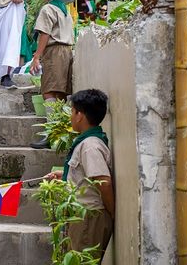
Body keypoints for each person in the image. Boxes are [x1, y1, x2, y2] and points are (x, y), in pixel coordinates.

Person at [45, 89, 114, 262]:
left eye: (72, 111)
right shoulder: (87, 142)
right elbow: (88, 175)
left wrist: (112, 213)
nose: (70, 116)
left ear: (80, 115)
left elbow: (103, 182)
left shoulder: (90, 146)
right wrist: (65, 175)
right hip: (82, 217)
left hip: (89, 217)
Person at [29, 0, 75, 149]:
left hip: (54, 52)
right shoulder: (65, 10)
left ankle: (51, 134)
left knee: (49, 92)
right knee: (61, 93)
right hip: (67, 51)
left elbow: (44, 34)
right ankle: (59, 132)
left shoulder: (48, 10)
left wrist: (36, 57)